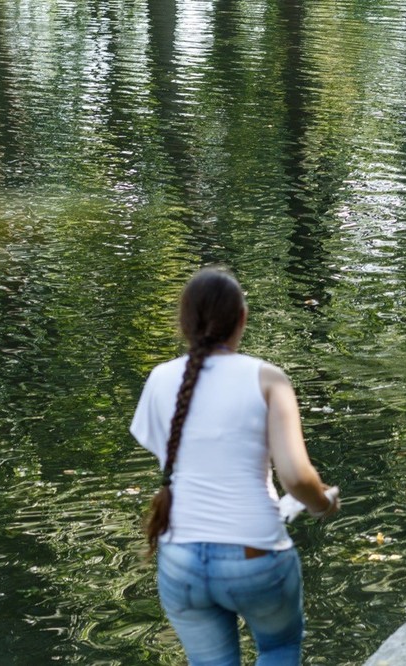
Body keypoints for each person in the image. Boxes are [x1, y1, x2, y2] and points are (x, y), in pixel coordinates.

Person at [130, 267, 341, 665]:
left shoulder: (158, 380)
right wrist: (323, 504)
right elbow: (295, 477)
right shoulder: (268, 379)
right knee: (278, 649)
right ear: (241, 318)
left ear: (184, 321)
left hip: (181, 559)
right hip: (254, 554)